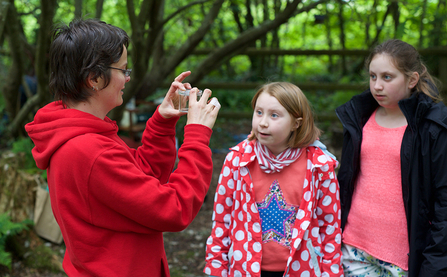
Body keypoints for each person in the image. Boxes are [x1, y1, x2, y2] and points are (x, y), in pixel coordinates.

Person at [25, 18, 220, 276]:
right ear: (94, 78)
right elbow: (174, 209)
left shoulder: (78, 133)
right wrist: (196, 137)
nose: (128, 79)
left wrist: (162, 122)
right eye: (123, 70)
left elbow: (143, 175)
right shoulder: (91, 151)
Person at [203, 82, 343, 277]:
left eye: (274, 115)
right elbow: (222, 220)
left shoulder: (319, 166)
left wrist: (332, 273)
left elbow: (330, 226)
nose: (263, 122)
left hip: (301, 270)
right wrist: (216, 268)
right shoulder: (237, 160)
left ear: (297, 123)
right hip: (246, 270)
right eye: (259, 112)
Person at [336, 39, 447, 276]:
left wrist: (434, 263)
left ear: (412, 80)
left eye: (387, 77)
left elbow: (443, 202)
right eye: (373, 76)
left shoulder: (432, 127)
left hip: (404, 259)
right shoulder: (359, 117)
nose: (377, 86)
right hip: (354, 249)